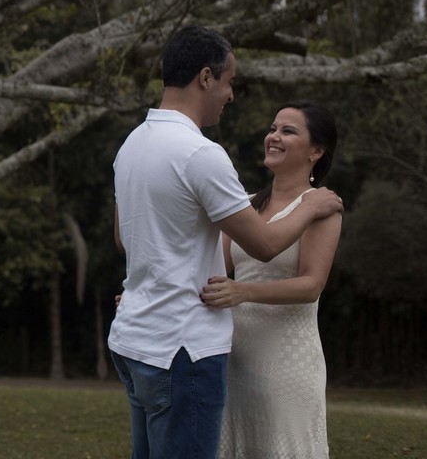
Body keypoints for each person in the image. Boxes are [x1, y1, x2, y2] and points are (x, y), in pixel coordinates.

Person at [108, 25, 343, 459]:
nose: (231, 94)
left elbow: (128, 238)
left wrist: (145, 290)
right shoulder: (201, 154)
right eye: (230, 80)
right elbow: (265, 246)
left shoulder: (131, 146)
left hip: (137, 340)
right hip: (183, 348)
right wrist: (312, 207)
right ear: (205, 78)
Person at [202, 101, 341, 459]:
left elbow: (311, 285)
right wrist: (148, 294)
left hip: (287, 363)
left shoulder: (322, 207)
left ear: (317, 151)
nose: (273, 137)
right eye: (273, 128)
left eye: (288, 131)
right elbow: (209, 269)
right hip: (235, 357)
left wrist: (243, 291)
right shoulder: (246, 205)